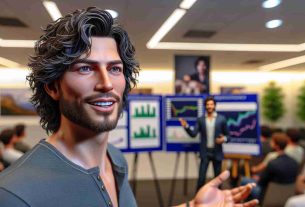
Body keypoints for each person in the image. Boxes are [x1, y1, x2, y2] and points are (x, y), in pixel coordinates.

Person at [0, 7, 258, 207]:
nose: (106, 83)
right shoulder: (15, 194)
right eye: (85, 68)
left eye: (114, 69)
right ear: (53, 87)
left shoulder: (114, 158)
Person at [179, 96, 229, 191]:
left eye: (211, 104)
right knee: (201, 179)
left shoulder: (221, 119)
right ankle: (198, 201)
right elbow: (193, 134)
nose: (209, 106)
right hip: (205, 152)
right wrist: (186, 126)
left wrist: (224, 139)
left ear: (214, 105)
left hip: (217, 152)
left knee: (218, 179)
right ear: (205, 106)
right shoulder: (201, 119)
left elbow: (228, 136)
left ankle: (218, 201)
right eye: (207, 104)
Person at [242, 132, 299, 202]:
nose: (270, 143)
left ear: (276, 146)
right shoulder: (294, 163)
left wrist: (258, 178)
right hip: (287, 197)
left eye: (272, 142)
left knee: (245, 181)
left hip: (266, 194)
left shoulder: (272, 162)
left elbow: (262, 182)